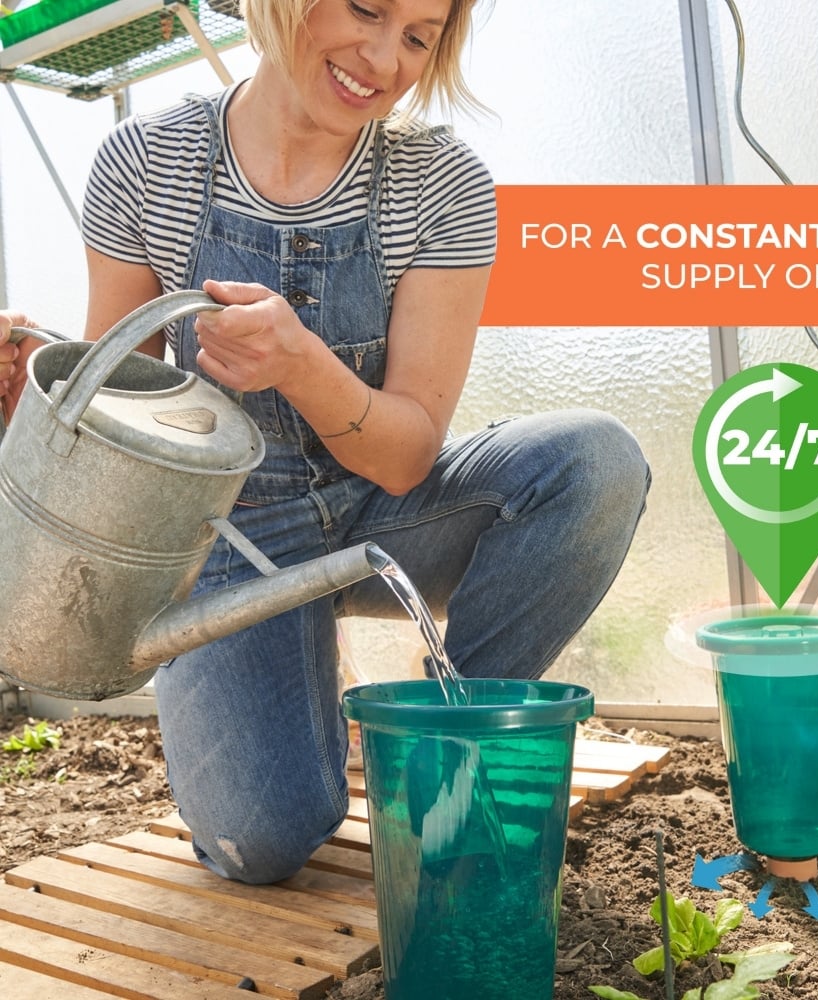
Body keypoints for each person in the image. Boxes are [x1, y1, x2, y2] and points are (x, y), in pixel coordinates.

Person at [0, 0, 650, 885]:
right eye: (366, 10)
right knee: (264, 841)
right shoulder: (147, 163)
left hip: (386, 506)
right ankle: (292, 683)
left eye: (420, 36)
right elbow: (119, 417)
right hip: (224, 537)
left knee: (592, 462)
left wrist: (301, 362)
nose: (384, 59)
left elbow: (408, 453)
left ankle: (449, 746)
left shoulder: (441, 184)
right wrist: (35, 410)